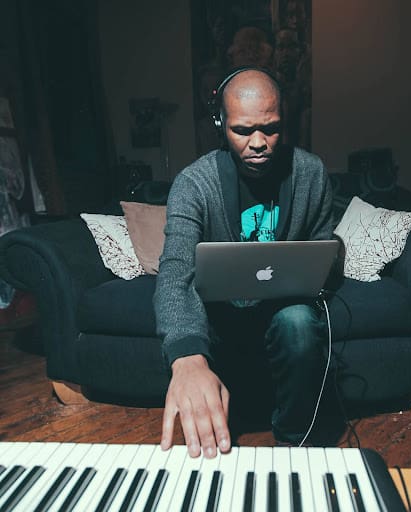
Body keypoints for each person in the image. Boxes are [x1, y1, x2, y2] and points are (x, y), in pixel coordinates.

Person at [155, 68, 334, 459]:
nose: (258, 143)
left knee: (300, 322)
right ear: (220, 124)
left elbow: (323, 247)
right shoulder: (194, 183)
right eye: (242, 130)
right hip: (220, 322)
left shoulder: (311, 172)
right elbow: (174, 272)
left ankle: (294, 445)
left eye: (270, 129)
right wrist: (185, 356)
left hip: (281, 316)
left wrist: (328, 258)